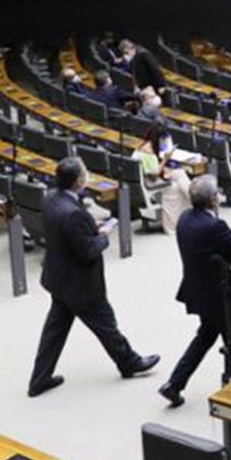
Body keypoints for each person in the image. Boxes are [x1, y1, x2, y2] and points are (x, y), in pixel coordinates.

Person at [27, 157, 158, 397]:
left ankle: (39, 379)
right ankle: (129, 362)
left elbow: (70, 236)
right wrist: (105, 234)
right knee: (106, 325)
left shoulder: (50, 199)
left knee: (54, 332)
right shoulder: (74, 214)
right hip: (81, 284)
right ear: (78, 181)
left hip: (59, 278)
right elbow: (88, 251)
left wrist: (89, 231)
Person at [159, 176, 231, 407]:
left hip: (201, 292)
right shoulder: (213, 226)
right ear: (212, 200)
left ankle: (175, 383)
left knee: (205, 337)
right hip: (224, 295)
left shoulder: (185, 219)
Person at [132, 123, 190, 235]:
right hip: (149, 184)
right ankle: (172, 226)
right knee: (175, 187)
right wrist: (165, 159)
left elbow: (151, 171)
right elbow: (154, 176)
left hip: (143, 180)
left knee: (180, 173)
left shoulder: (142, 147)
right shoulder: (149, 152)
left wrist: (166, 170)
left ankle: (193, 198)